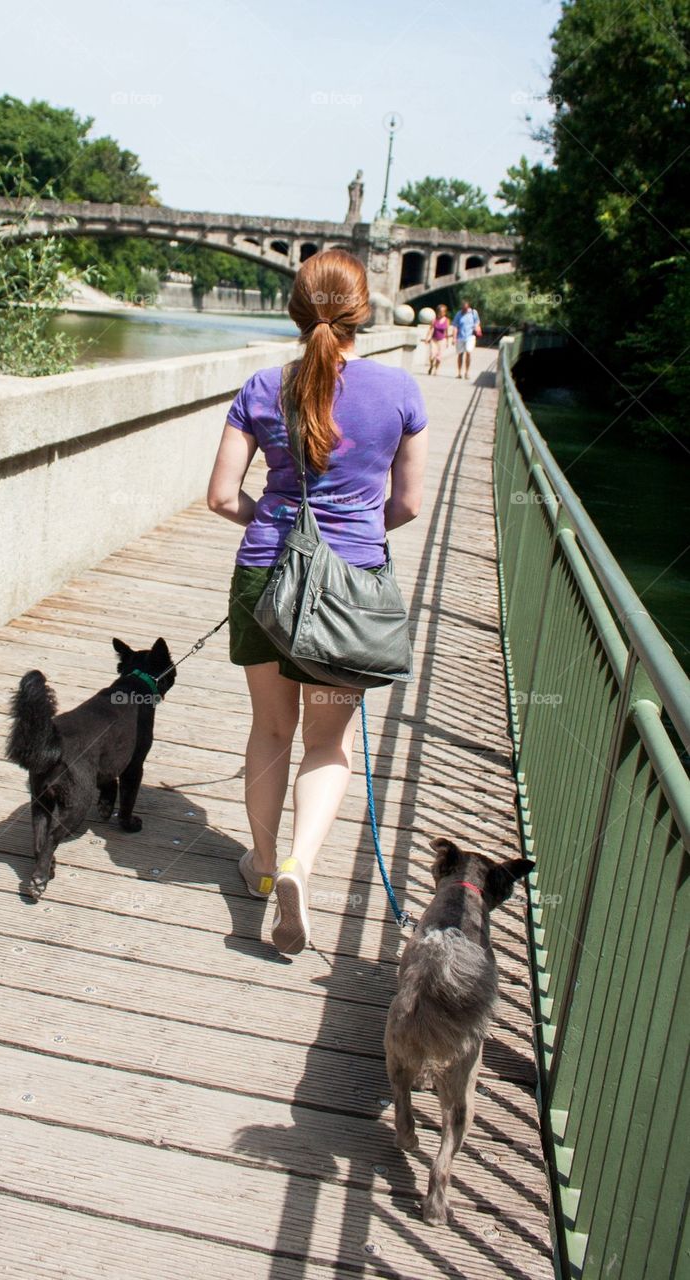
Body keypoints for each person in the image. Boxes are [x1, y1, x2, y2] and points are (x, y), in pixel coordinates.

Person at [206, 249, 429, 955]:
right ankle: (302, 864)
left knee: (270, 732)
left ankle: (265, 868)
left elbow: (218, 496)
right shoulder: (398, 392)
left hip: (265, 576)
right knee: (326, 743)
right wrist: (353, 535)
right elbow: (407, 504)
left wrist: (272, 523)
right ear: (363, 313)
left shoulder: (259, 388)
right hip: (350, 591)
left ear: (294, 312)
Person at [451, 298, 482, 380]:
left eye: (465, 308)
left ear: (468, 306)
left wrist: (477, 328)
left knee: (468, 352)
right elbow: (455, 326)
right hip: (460, 337)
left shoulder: (473, 312)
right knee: (460, 354)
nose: (463, 309)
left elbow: (477, 322)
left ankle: (467, 372)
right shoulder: (459, 314)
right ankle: (459, 372)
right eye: (462, 308)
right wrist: (454, 338)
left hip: (470, 336)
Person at [424, 303, 451, 375]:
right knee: (432, 355)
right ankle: (431, 365)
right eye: (440, 312)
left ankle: (436, 370)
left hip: (442, 340)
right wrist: (427, 338)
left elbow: (446, 331)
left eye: (443, 312)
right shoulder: (434, 320)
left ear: (445, 312)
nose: (441, 313)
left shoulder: (447, 320)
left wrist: (447, 341)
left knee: (439, 357)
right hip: (434, 339)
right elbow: (430, 329)